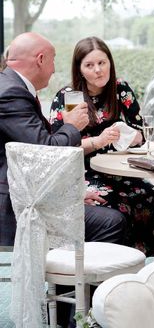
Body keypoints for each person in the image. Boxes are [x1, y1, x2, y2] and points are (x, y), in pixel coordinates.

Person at [49, 36, 154, 256]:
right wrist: (99, 140)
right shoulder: (67, 98)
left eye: (102, 63)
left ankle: (145, 264)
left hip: (120, 171)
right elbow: (59, 147)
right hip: (85, 174)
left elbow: (141, 132)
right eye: (89, 65)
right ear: (80, 70)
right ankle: (115, 265)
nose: (98, 70)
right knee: (116, 207)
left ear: (110, 63)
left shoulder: (121, 89)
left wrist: (130, 135)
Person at [0, 33, 127, 247]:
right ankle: (73, 280)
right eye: (53, 60)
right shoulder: (11, 93)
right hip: (15, 206)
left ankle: (72, 277)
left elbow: (34, 155)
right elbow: (47, 150)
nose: (54, 69)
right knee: (111, 222)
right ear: (40, 59)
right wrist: (72, 126)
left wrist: (71, 193)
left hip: (34, 190)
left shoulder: (11, 86)